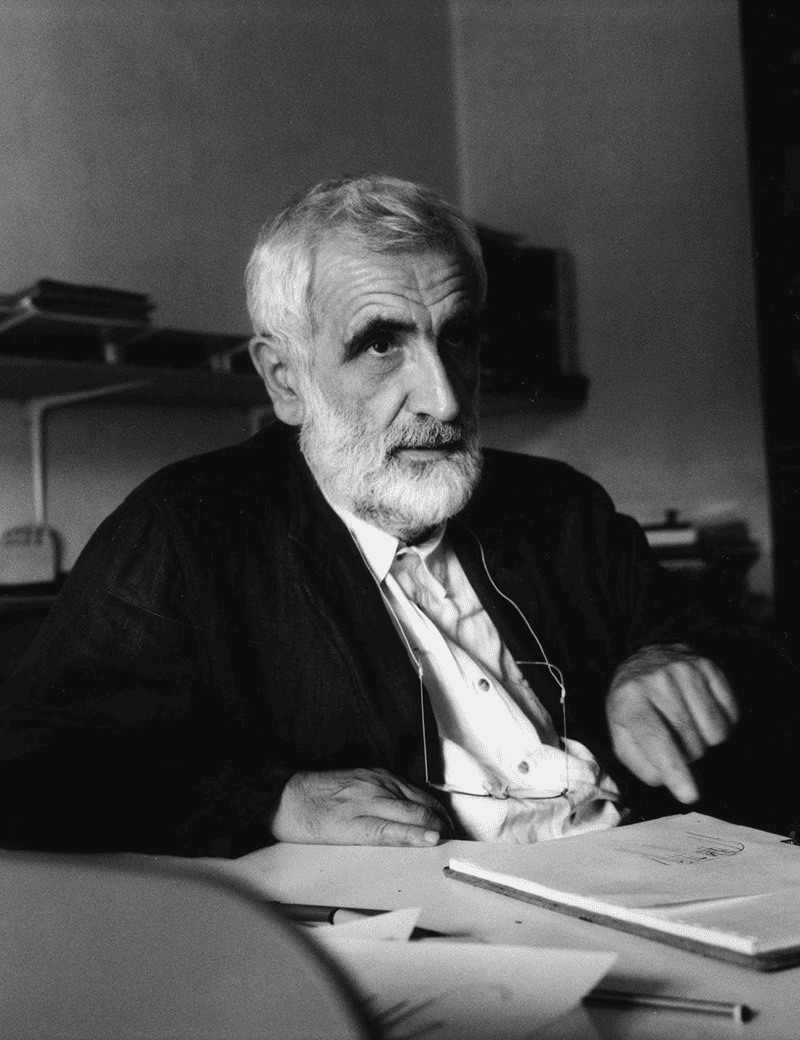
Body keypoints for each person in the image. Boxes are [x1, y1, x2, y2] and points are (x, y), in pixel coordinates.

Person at [0, 176, 784, 857]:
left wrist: (669, 658)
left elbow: (741, 646)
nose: (443, 399)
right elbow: (33, 767)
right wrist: (271, 801)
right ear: (285, 379)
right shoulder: (186, 532)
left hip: (658, 880)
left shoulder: (560, 508)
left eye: (458, 337)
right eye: (381, 345)